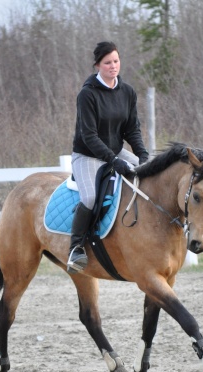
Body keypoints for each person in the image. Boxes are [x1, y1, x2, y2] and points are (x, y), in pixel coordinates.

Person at [67, 41, 150, 274]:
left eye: (116, 61)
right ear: (97, 66)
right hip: (88, 155)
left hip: (115, 151)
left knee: (150, 174)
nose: (113, 66)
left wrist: (142, 155)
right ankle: (75, 249)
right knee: (91, 197)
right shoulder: (87, 94)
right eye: (107, 63)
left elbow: (132, 130)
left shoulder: (128, 92)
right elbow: (89, 136)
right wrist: (114, 161)